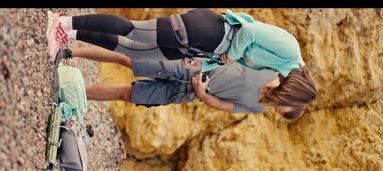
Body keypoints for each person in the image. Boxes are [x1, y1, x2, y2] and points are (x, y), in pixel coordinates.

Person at [46, 9, 317, 111]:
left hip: (203, 49)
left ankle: (68, 33)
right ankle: (63, 22)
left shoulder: (279, 67)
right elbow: (248, 31)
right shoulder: (290, 51)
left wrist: (201, 64)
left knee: (132, 50)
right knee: (134, 29)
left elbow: (230, 59)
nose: (280, 93)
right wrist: (229, 57)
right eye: (287, 97)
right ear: (296, 89)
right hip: (209, 30)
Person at [55, 45, 312, 119]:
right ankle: (69, 51)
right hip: (195, 65)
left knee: (128, 94)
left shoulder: (258, 106)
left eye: (277, 111)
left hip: (188, 92)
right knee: (131, 60)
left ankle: (70, 93)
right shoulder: (273, 68)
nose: (273, 108)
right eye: (280, 106)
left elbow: (224, 106)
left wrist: (202, 95)